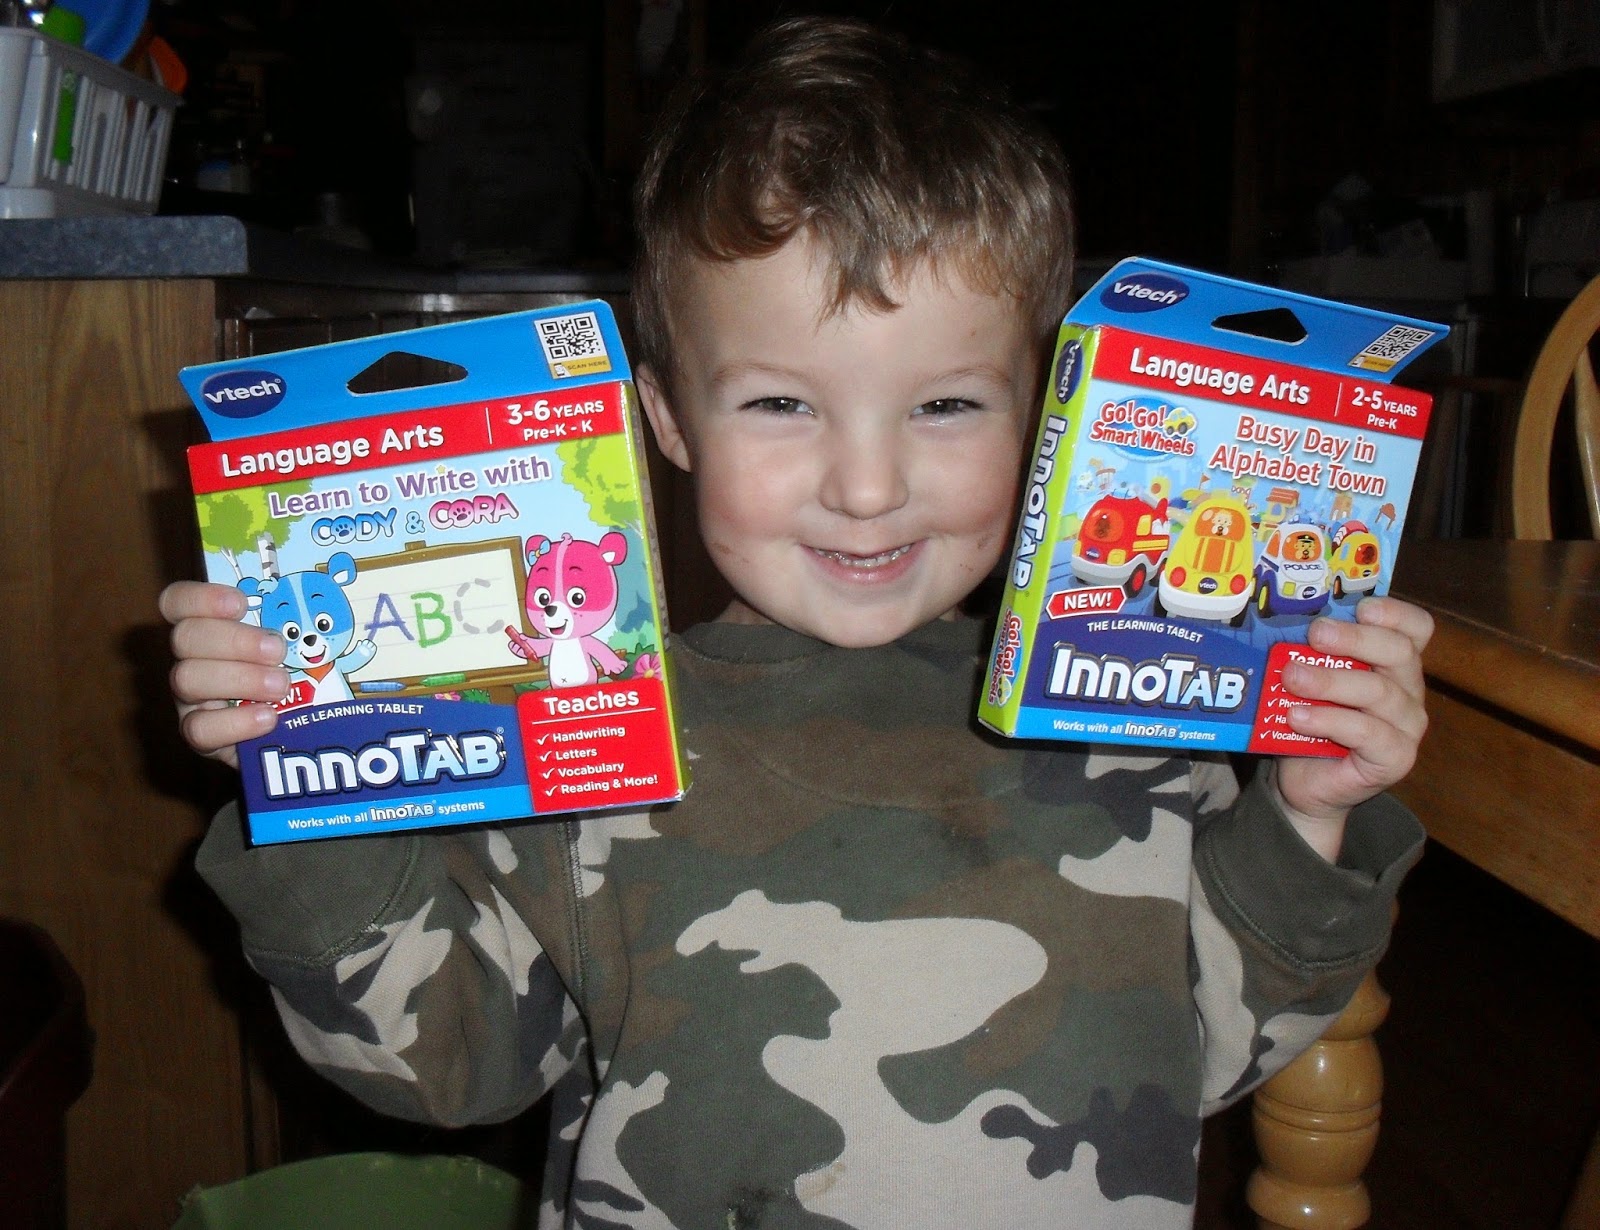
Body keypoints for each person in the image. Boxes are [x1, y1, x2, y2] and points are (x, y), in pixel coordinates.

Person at [160, 16, 1431, 1228]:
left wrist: (1304, 813)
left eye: (945, 406)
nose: (867, 487)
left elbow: (1213, 1049)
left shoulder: (1141, 718)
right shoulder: (580, 744)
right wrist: (307, 784)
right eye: (780, 404)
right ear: (668, 421)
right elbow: (443, 1068)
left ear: (1051, 410)